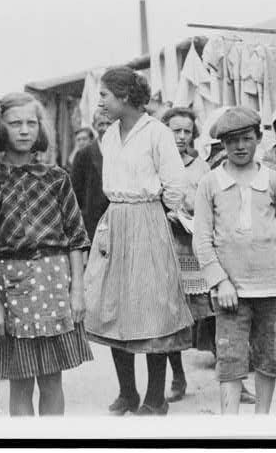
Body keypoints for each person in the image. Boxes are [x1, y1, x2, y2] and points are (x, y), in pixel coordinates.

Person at [0, 92, 93, 416]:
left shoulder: (56, 178)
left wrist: (77, 292)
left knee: (51, 380)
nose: (24, 130)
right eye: (15, 123)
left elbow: (76, 239)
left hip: (54, 286)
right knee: (20, 382)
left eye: (31, 123)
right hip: (10, 290)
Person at [84, 67, 194, 416]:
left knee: (152, 308)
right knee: (114, 306)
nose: (100, 101)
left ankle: (155, 398)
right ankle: (127, 393)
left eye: (104, 94)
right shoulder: (109, 135)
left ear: (125, 97)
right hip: (116, 220)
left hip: (147, 220)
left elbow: (176, 183)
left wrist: (156, 214)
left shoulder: (156, 133)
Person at [193, 106, 276, 414]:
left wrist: (270, 266)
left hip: (272, 289)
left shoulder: (274, 181)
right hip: (230, 293)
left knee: (271, 356)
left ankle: (262, 422)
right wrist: (221, 281)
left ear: (258, 138)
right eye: (232, 140)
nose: (240, 147)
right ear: (221, 144)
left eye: (246, 139)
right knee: (231, 360)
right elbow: (202, 238)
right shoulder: (210, 183)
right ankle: (231, 428)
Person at [159, 107, 210, 403]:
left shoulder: (200, 167)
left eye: (186, 131)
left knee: (203, 310)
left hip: (190, 248)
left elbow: (206, 201)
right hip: (164, 247)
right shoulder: (156, 164)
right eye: (175, 130)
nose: (180, 137)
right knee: (170, 313)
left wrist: (190, 215)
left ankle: (232, 376)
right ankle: (177, 375)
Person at [70, 110, 113, 242]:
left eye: (108, 124)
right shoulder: (84, 154)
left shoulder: (123, 150)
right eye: (101, 124)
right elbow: (76, 190)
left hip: (118, 215)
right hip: (93, 218)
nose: (105, 128)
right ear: (94, 125)